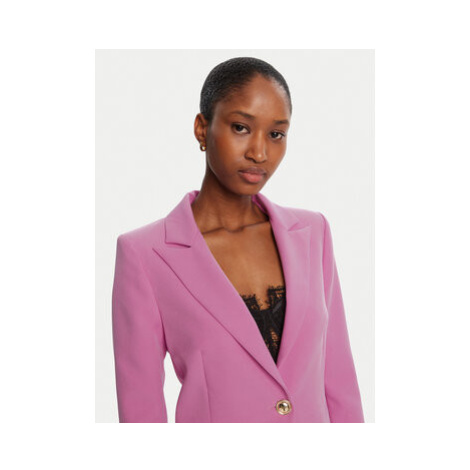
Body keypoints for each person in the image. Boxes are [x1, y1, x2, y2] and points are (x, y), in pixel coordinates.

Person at [112, 57, 365, 423]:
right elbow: (141, 412)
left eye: (276, 134)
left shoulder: (313, 234)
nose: (259, 153)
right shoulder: (145, 255)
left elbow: (340, 385)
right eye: (241, 128)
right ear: (202, 129)